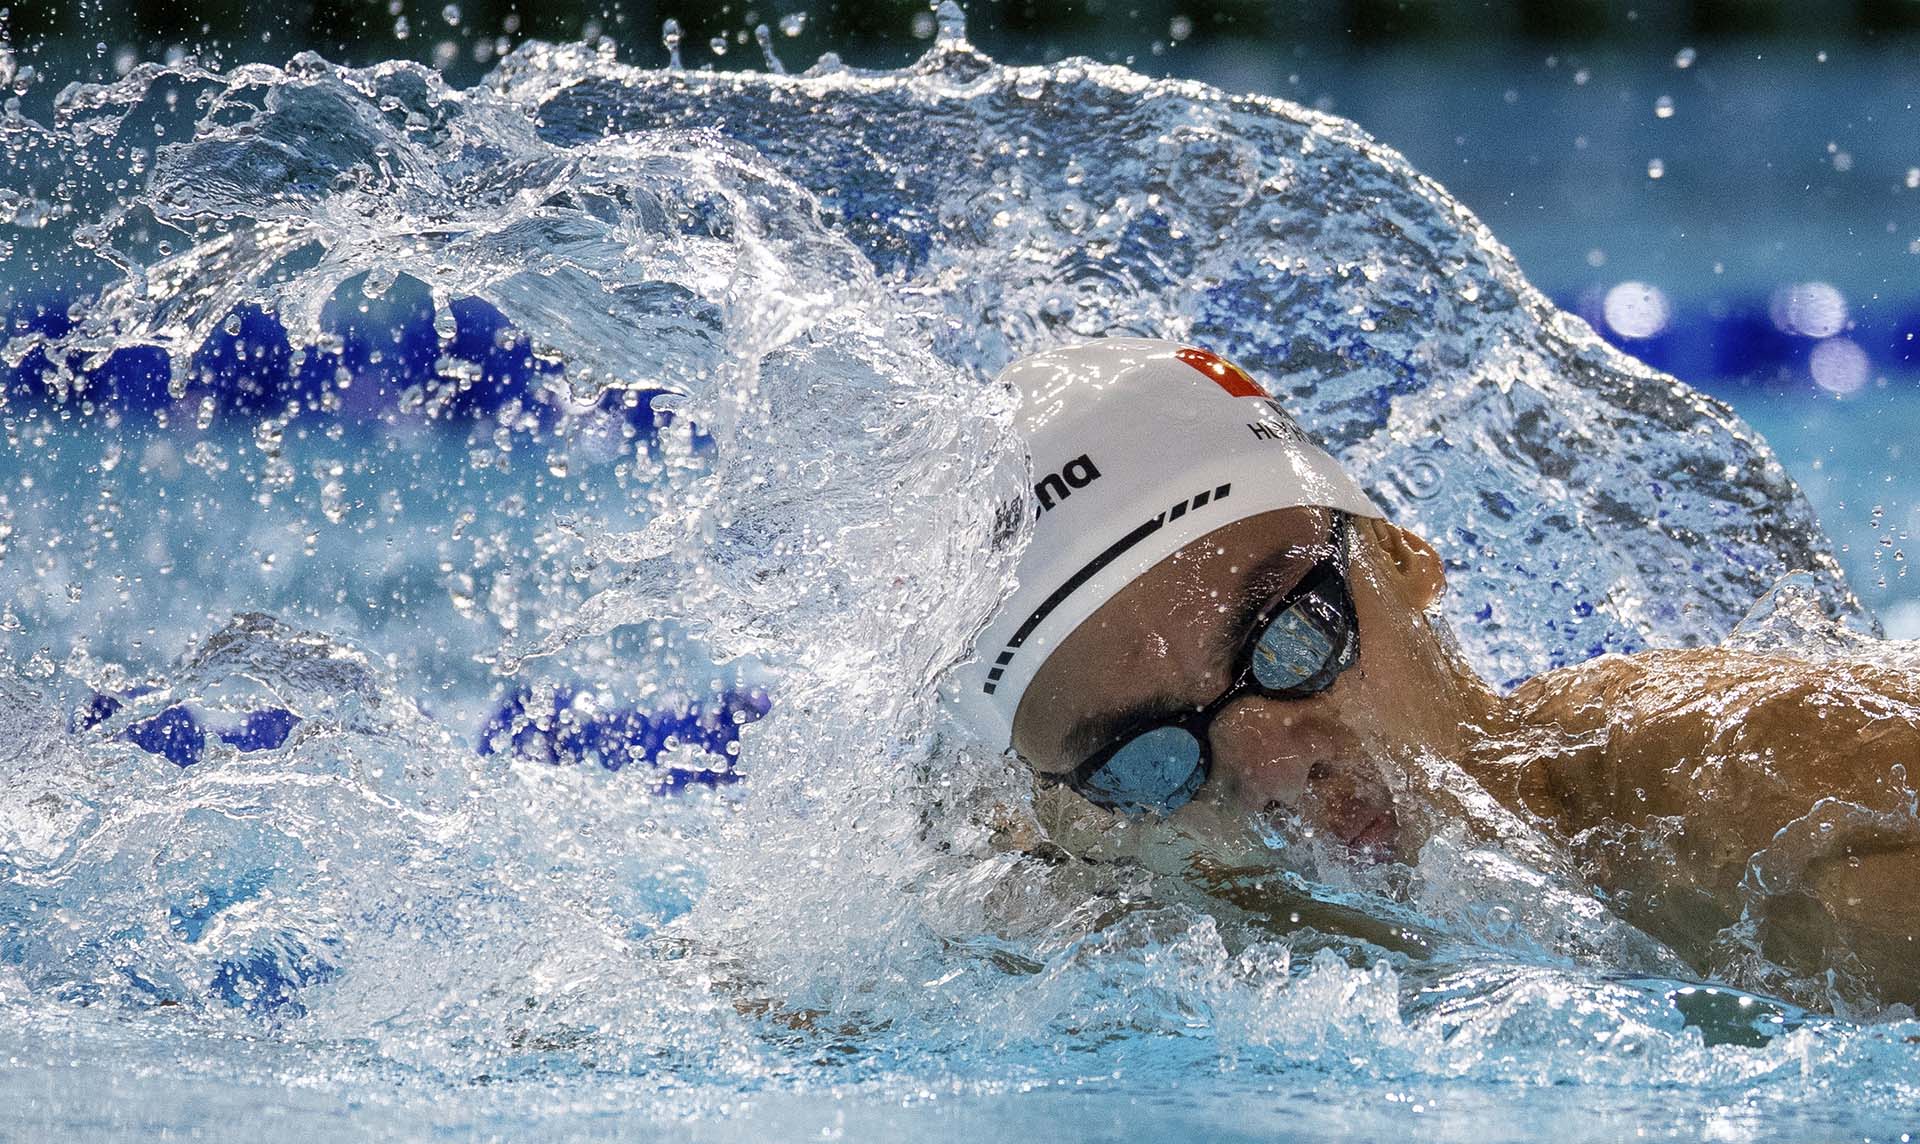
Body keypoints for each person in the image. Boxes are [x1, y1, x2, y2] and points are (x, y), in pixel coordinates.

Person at [948, 337, 1920, 1013]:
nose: (1280, 770)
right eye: (1149, 757)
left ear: (1401, 555)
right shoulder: (1138, 918)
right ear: (1079, 809)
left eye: (1292, 639)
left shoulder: (1767, 816)